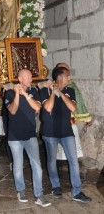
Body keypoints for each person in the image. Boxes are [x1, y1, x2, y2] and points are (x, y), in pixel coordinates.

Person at [41, 66, 92, 203]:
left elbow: (73, 108)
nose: (69, 78)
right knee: (52, 161)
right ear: (60, 77)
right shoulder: (45, 90)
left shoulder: (70, 91)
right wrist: (53, 92)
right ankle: (56, 186)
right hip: (50, 133)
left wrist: (61, 94)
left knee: (73, 161)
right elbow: (47, 107)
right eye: (67, 76)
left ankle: (77, 192)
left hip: (67, 132)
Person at [5, 69, 51, 207]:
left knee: (37, 166)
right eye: (27, 77)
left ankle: (39, 194)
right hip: (15, 137)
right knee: (18, 166)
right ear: (19, 79)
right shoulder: (9, 93)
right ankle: (21, 190)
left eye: (31, 77)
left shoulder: (34, 92)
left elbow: (37, 107)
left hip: (30, 135)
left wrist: (25, 93)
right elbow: (12, 110)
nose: (31, 79)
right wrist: (18, 94)